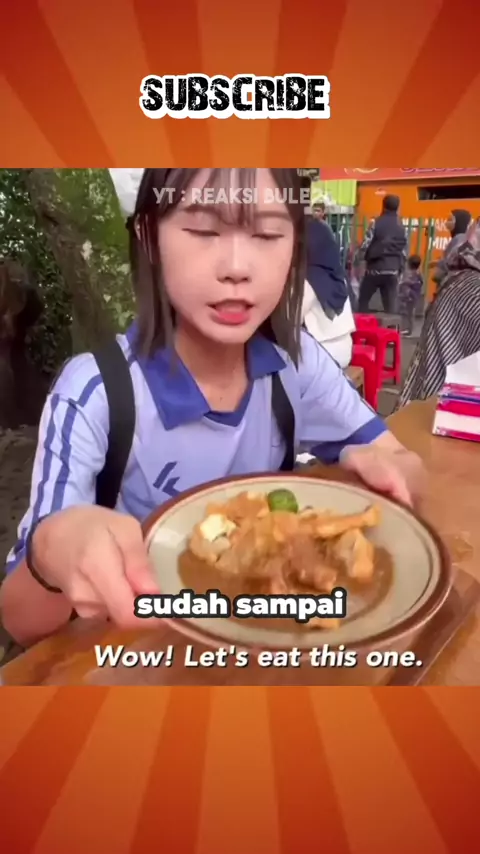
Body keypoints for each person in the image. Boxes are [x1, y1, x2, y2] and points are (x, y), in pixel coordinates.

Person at [0, 168, 423, 647]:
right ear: (148, 237)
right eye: (203, 230)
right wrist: (52, 549)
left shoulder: (296, 366)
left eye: (267, 234)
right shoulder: (95, 392)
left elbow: (405, 465)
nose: (237, 268)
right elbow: (19, 619)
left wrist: (387, 466)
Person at [397, 218, 480, 408]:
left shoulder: (463, 283)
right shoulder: (469, 288)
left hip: (439, 407)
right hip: (446, 410)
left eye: (452, 218)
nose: (449, 222)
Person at [302, 215, 355, 369]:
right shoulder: (337, 275)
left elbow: (289, 321)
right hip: (344, 350)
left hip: (320, 355)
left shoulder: (309, 280)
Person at [358, 195, 407, 313]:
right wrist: (400, 269)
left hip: (375, 269)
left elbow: (365, 245)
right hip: (393, 270)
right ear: (398, 207)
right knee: (390, 306)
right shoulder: (401, 227)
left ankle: (362, 322)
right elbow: (404, 250)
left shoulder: (376, 223)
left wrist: (360, 260)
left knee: (363, 301)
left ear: (383, 206)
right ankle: (391, 324)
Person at [431, 208, 472, 290]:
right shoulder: (461, 238)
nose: (447, 222)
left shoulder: (459, 239)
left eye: (450, 220)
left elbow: (452, 261)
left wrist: (439, 266)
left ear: (459, 222)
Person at [398, 255, 423, 337]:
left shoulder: (409, 274)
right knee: (410, 314)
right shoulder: (419, 274)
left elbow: (404, 284)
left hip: (408, 297)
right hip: (414, 297)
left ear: (409, 264)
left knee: (406, 314)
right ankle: (408, 329)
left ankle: (407, 329)